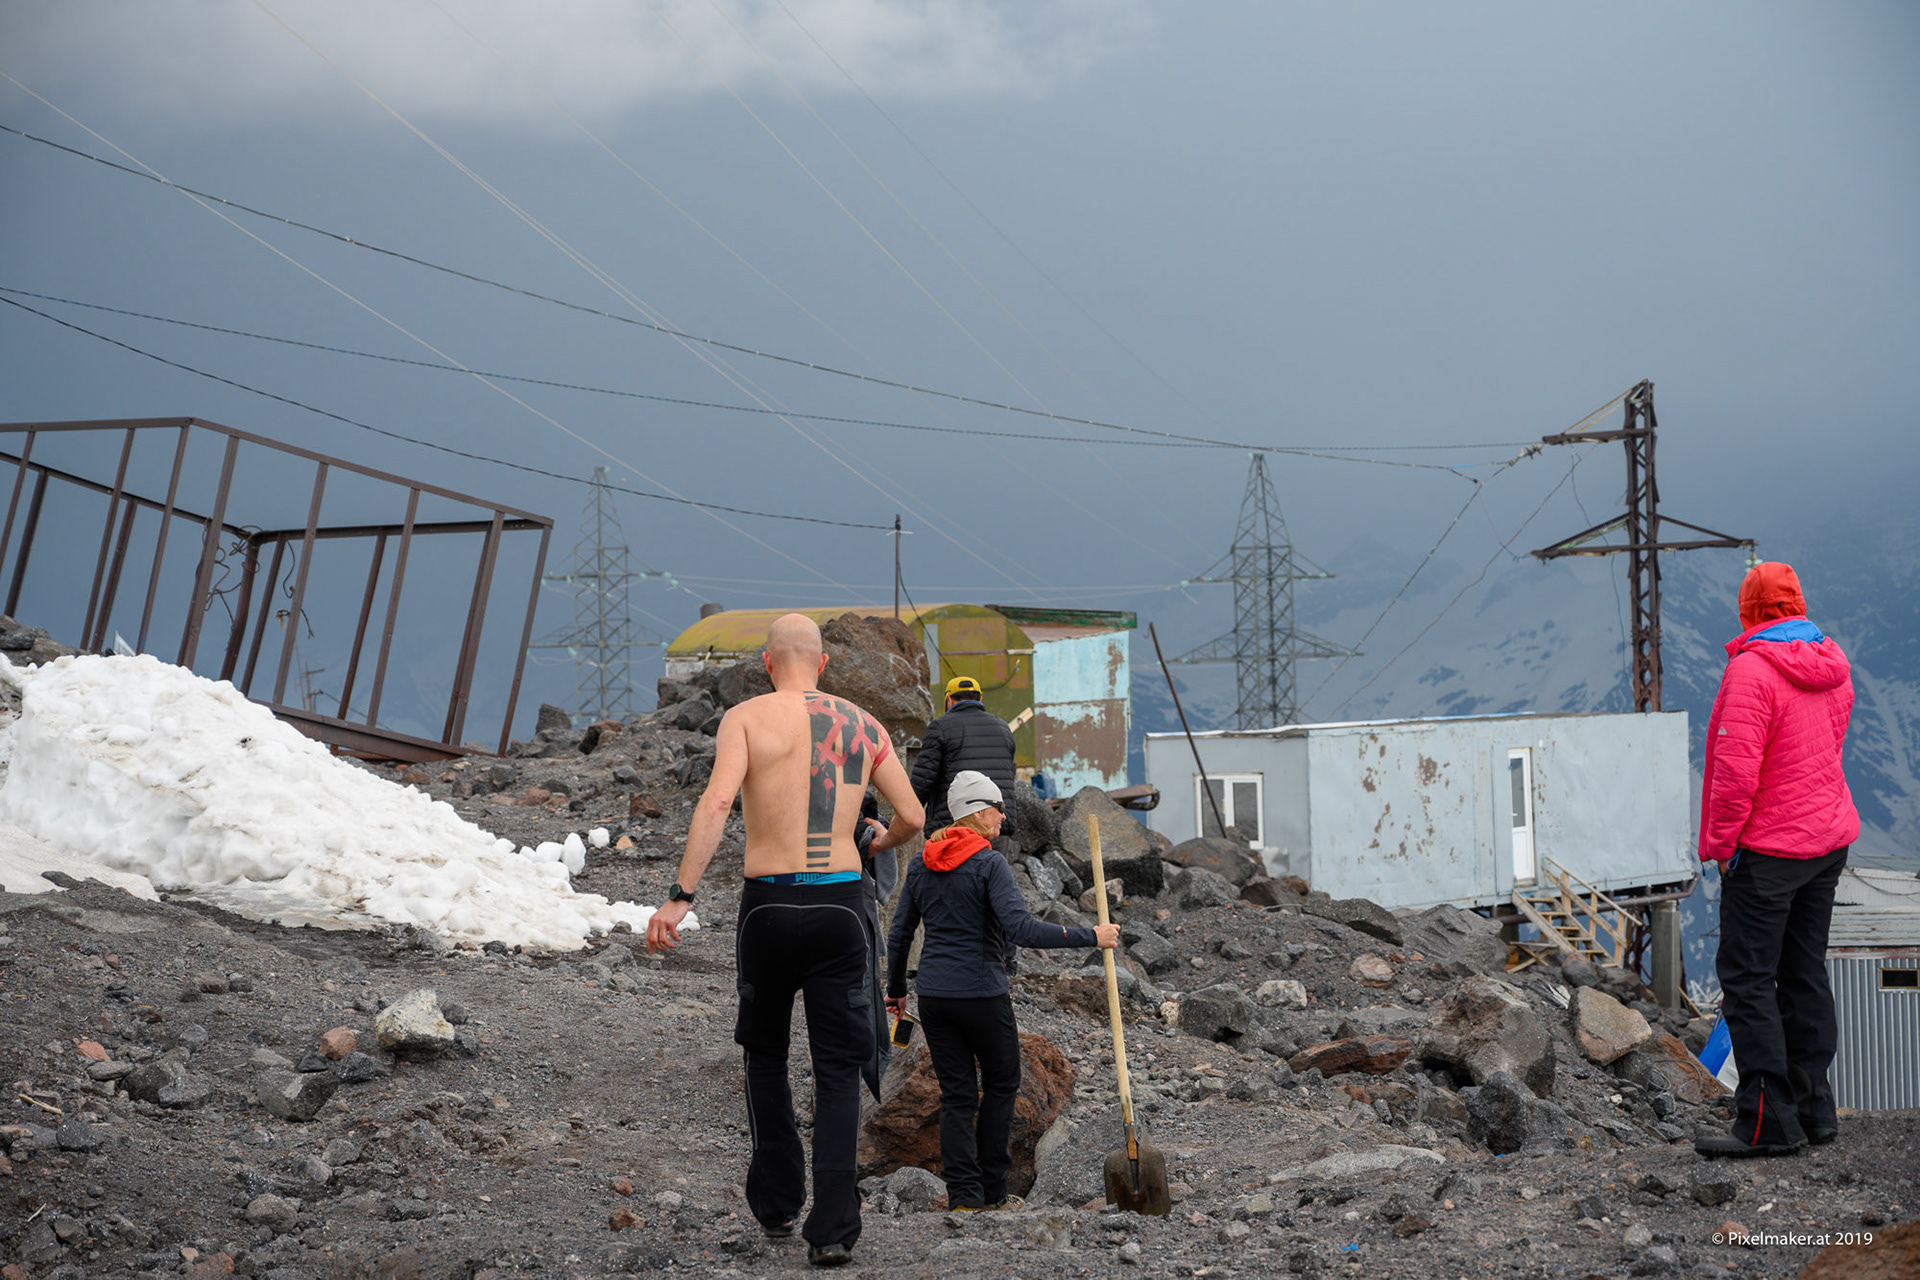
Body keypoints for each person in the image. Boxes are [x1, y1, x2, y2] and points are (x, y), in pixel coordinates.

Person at [647, 613, 924, 1267]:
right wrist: (877, 842)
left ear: (769, 663)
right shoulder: (864, 726)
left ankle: (775, 1202)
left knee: (765, 1056)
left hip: (767, 907)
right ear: (822, 664)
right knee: (835, 1071)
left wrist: (680, 897)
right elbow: (913, 816)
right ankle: (831, 1229)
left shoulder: (746, 718)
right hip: (838, 910)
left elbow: (716, 804)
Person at [884, 771, 1120, 1211]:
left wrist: (896, 990)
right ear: (976, 812)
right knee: (1001, 1083)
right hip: (981, 994)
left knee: (956, 1095)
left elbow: (900, 935)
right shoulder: (989, 863)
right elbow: (1022, 929)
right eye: (996, 807)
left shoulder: (922, 861)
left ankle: (963, 1197)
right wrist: (1092, 935)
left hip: (934, 996)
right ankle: (992, 1189)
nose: (1003, 815)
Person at [1695, 562, 1859, 1159]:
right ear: (1797, 604)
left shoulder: (1751, 672)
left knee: (1747, 979)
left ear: (1749, 611)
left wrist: (1720, 844)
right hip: (1826, 841)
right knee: (1803, 971)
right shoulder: (1831, 663)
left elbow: (1735, 776)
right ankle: (1815, 1111)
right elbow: (1824, 750)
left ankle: (1765, 1120)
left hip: (1768, 851)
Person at [912, 675, 1019, 848]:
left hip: (954, 823)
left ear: (949, 700)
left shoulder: (940, 728)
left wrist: (905, 812)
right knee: (992, 871)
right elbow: (1010, 773)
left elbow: (924, 779)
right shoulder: (1002, 728)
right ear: (980, 699)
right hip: (995, 822)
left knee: (955, 872)